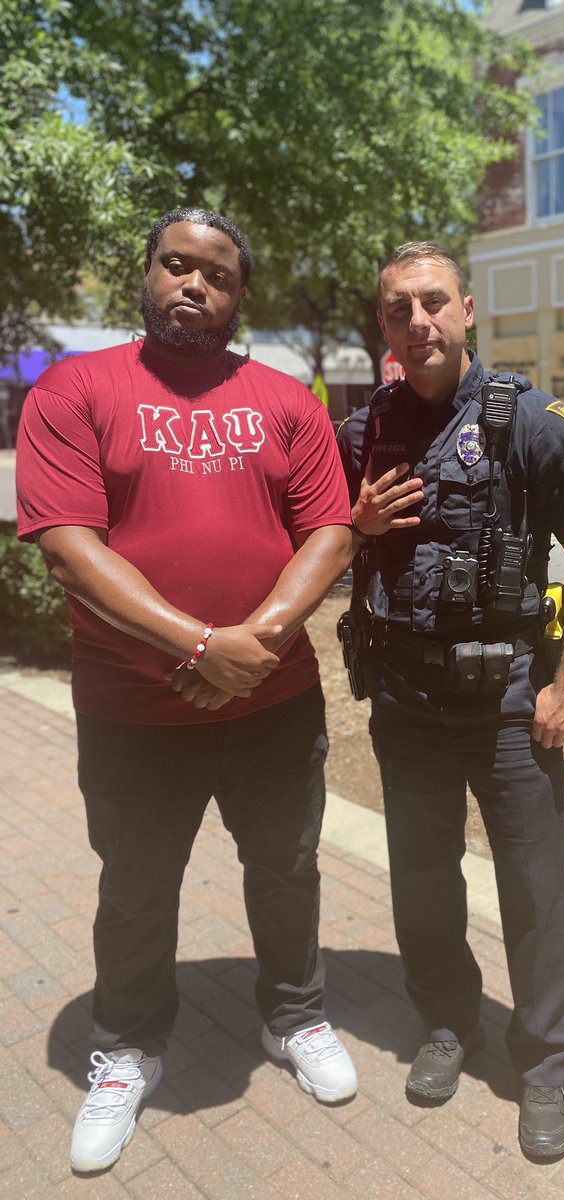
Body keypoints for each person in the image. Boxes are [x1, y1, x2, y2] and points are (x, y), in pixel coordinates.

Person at [16, 207, 358, 1174]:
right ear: (149, 274)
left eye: (215, 274)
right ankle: (125, 1048)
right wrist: (200, 643)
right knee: (134, 890)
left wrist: (261, 641)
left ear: (239, 296)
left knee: (287, 870)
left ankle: (294, 1018)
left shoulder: (288, 399)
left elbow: (329, 529)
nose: (192, 285)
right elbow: (70, 550)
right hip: (133, 711)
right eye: (176, 266)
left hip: (275, 704)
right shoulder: (77, 389)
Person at [336, 242, 564, 1158]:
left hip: (507, 704)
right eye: (395, 309)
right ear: (382, 325)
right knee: (422, 881)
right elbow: (319, 548)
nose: (415, 322)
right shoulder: (361, 432)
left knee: (533, 893)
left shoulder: (529, 421)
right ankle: (449, 1022)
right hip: (406, 703)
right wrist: (355, 528)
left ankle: (543, 1068)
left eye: (431, 303)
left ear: (465, 310)